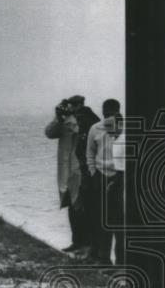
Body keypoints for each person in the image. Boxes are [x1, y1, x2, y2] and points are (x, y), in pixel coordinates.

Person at [44, 95, 100, 254]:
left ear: (82, 104)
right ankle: (77, 241)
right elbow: (49, 133)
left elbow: (81, 129)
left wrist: (68, 117)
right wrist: (58, 117)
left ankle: (88, 244)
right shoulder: (64, 120)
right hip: (67, 170)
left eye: (75, 104)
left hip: (82, 169)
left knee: (84, 207)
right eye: (70, 105)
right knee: (72, 205)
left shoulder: (89, 118)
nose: (72, 107)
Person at [86, 99, 124, 265]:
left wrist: (121, 176)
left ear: (117, 110)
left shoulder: (124, 128)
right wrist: (94, 173)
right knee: (101, 219)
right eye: (105, 110)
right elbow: (90, 153)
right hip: (101, 176)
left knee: (120, 221)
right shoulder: (95, 128)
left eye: (111, 111)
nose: (107, 113)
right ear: (102, 111)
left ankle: (122, 260)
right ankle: (104, 257)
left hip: (120, 177)